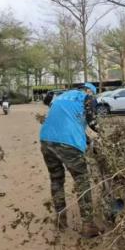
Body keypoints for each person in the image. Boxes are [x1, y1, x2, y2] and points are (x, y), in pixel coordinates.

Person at [39, 83, 101, 237]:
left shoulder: (60, 97)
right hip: (68, 144)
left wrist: (87, 141)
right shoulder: (88, 98)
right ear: (89, 92)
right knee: (82, 181)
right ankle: (88, 225)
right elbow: (93, 123)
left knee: (56, 180)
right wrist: (107, 133)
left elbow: (68, 122)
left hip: (46, 140)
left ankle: (61, 220)